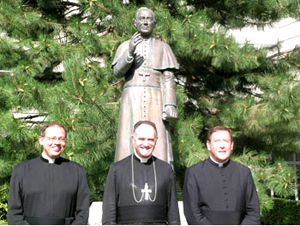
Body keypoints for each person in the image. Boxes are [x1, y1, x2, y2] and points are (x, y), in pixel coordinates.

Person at [112, 7, 179, 163]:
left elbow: (168, 77)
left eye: (149, 19)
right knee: (128, 136)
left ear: (154, 23)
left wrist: (170, 104)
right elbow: (117, 72)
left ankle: (160, 170)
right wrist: (129, 52)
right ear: (135, 23)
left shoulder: (164, 48)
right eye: (142, 18)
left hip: (155, 97)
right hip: (132, 98)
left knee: (158, 137)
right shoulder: (125, 46)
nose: (145, 21)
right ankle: (126, 170)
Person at [8, 122, 89, 225]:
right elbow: (14, 212)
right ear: (41, 140)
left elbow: (82, 212)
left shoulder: (77, 171)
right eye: (52, 138)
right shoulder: (21, 170)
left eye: (61, 138)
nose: (57, 142)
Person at [102, 120, 180, 225]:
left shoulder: (166, 169)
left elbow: (173, 212)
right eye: (142, 139)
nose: (146, 144)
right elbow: (109, 212)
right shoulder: (117, 169)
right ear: (133, 139)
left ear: (156, 141)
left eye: (151, 139)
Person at [183, 126, 261, 225]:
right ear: (208, 145)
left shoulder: (244, 173)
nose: (222, 145)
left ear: (232, 145)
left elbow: (253, 211)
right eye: (217, 141)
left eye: (226, 141)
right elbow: (192, 213)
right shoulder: (194, 173)